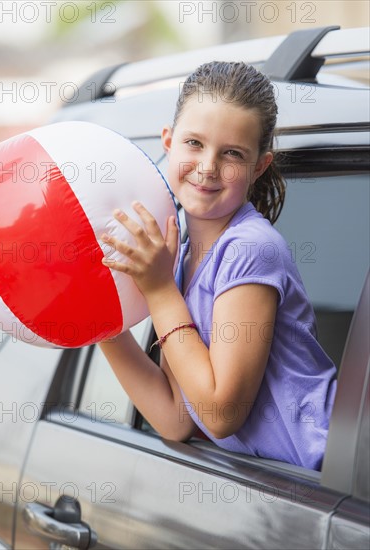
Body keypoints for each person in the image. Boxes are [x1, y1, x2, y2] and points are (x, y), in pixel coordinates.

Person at [99, 61, 337, 471]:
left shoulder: (250, 249)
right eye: (194, 143)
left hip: (333, 475)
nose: (208, 166)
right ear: (168, 142)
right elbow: (177, 418)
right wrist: (101, 324)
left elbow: (222, 414)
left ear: (259, 166)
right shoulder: (178, 262)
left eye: (231, 153)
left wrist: (158, 293)